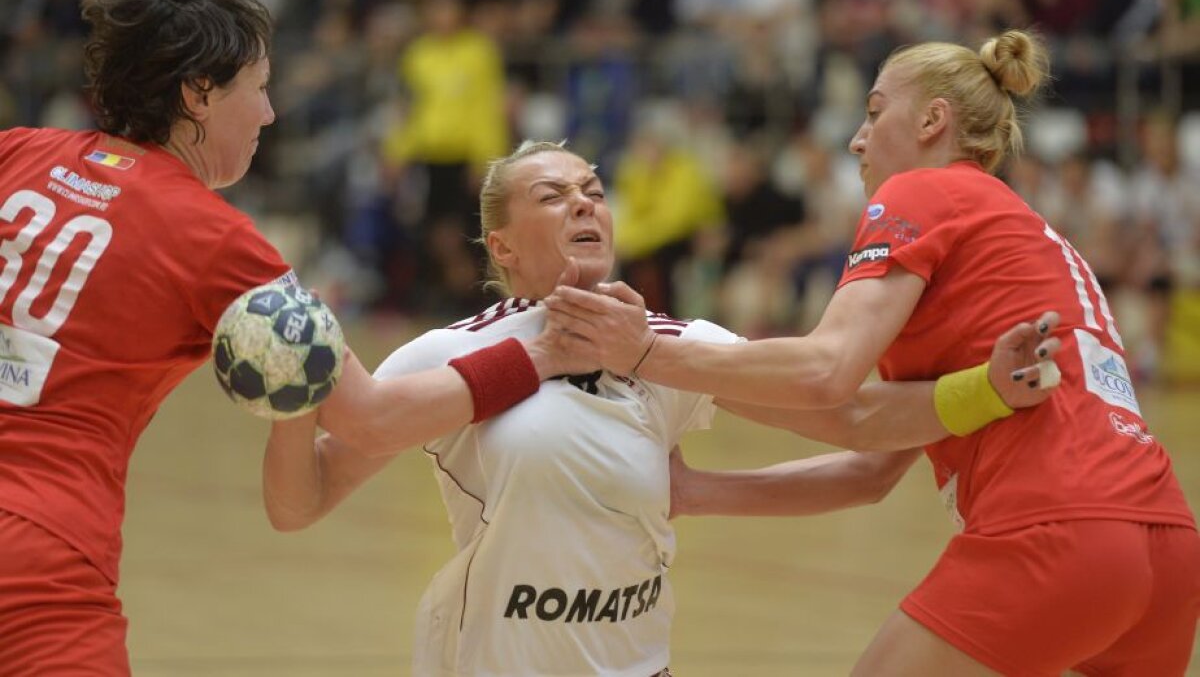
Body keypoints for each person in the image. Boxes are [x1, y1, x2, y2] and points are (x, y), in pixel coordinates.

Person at [263, 140, 1061, 677]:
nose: (585, 204)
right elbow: (301, 502)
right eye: (553, 195)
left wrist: (983, 389)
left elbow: (855, 431)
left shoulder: (671, 346)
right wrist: (291, 395)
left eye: (593, 191)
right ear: (501, 246)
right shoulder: (448, 354)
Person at [545, 29, 1200, 675]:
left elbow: (827, 371)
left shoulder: (924, 191)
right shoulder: (1018, 233)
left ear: (932, 121)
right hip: (1167, 545)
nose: (857, 139)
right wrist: (693, 490)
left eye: (875, 112)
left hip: (1057, 525)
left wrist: (644, 352)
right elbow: (868, 460)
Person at [0, 0, 574, 675]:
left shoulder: (16, 152)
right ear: (198, 93)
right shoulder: (216, 241)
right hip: (38, 552)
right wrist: (544, 353)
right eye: (260, 87)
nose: (269, 112)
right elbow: (370, 419)